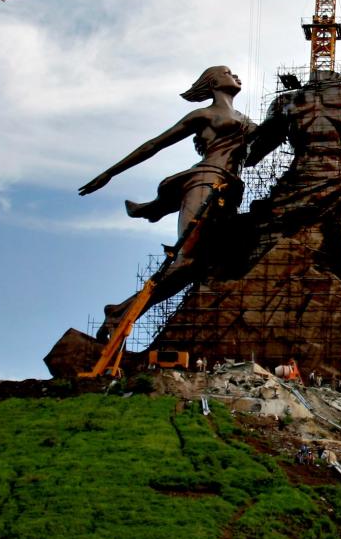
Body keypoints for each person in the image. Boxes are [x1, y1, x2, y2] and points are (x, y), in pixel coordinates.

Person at [79, 65, 256, 340]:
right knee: (187, 261)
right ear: (212, 84)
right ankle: (121, 312)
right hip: (206, 181)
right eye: (227, 72)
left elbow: (258, 151)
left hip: (231, 191)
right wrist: (110, 173)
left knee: (202, 267)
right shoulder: (204, 115)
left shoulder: (246, 120)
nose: (235, 76)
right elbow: (154, 144)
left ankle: (120, 311)